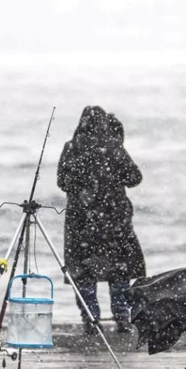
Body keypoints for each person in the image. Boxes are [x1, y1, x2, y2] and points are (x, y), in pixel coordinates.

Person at [57, 106, 146, 335]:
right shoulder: (114, 149)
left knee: (83, 272)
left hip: (81, 222)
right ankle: (122, 317)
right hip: (114, 221)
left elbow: (62, 182)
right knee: (119, 270)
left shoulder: (71, 148)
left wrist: (83, 184)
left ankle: (91, 318)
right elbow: (135, 177)